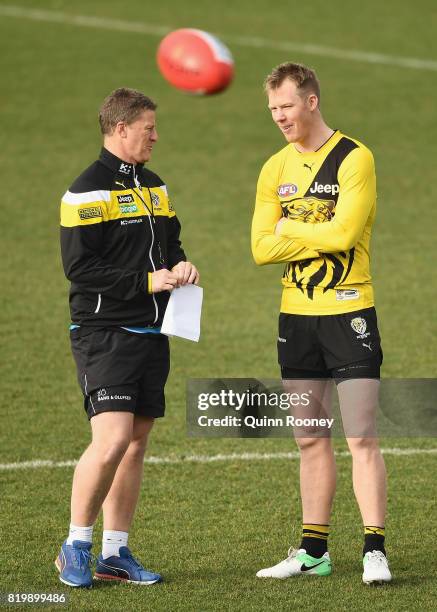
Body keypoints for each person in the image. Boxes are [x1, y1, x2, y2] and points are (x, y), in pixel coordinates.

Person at [251, 63, 391, 585]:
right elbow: (260, 248)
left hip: (350, 312)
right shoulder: (273, 169)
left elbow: (346, 234)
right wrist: (317, 228)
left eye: (286, 106)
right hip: (297, 318)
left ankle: (374, 549)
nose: (279, 117)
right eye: (272, 109)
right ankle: (314, 552)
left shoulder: (355, 158)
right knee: (310, 438)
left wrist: (293, 225)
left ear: (310, 101)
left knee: (361, 435)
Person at [56, 87, 199, 588]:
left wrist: (178, 265)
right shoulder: (86, 191)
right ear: (121, 129)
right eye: (148, 129)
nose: (155, 137)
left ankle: (115, 552)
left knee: (135, 443)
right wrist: (144, 282)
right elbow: (79, 267)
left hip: (152, 330)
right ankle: (75, 543)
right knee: (112, 438)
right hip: (104, 331)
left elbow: (169, 240)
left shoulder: (154, 186)